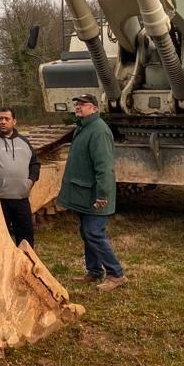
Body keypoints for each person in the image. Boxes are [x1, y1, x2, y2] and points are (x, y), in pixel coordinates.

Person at [56, 93, 127, 291]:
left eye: (83, 104)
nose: (78, 107)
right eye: (77, 104)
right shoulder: (83, 127)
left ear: (94, 108)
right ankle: (95, 272)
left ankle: (116, 274)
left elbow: (104, 167)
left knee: (93, 232)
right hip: (85, 193)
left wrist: (103, 194)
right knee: (87, 232)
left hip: (97, 194)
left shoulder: (98, 130)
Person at [0, 107, 40, 248]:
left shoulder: (24, 142)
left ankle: (26, 265)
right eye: (0, 118)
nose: (3, 122)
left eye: (6, 119)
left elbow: (35, 163)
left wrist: (31, 181)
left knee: (26, 237)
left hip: (21, 199)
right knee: (0, 239)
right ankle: (3, 268)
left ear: (14, 121)